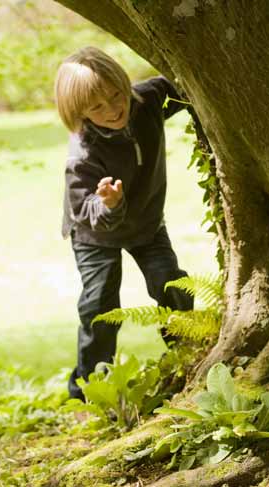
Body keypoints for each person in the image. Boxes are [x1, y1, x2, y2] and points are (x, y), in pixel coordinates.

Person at [54, 46, 193, 401]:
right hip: (95, 235)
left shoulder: (147, 101)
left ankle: (188, 360)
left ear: (124, 84)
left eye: (116, 95)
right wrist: (109, 203)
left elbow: (190, 85)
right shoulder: (83, 154)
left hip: (146, 223)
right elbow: (85, 210)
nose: (113, 109)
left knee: (171, 284)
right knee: (99, 307)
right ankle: (89, 391)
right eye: (97, 107)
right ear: (79, 113)